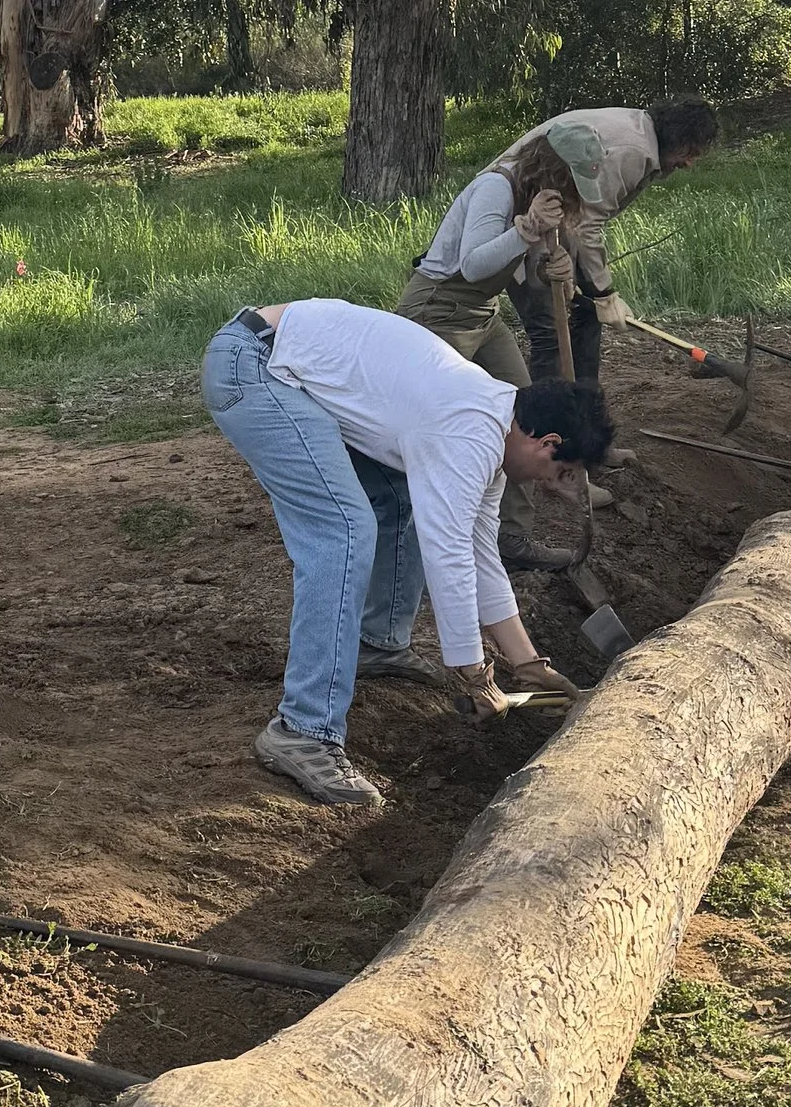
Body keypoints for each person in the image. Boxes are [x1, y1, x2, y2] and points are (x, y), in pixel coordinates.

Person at [203, 297, 615, 810]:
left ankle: (376, 644)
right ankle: (302, 730)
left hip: (281, 357)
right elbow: (448, 558)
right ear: (546, 441)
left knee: (399, 500)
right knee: (344, 530)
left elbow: (478, 552)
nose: (555, 486)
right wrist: (472, 672)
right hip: (257, 366)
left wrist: (529, 666)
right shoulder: (469, 431)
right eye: (563, 473)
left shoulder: (491, 426)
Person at [485, 101, 720, 381]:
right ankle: (547, 416)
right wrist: (605, 292)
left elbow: (579, 219)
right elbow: (587, 224)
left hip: (552, 214)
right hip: (516, 213)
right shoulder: (632, 152)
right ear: (675, 136)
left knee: (589, 311)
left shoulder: (642, 134)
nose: (690, 163)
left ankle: (583, 401)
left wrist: (596, 293)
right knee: (549, 328)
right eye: (689, 152)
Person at [395, 134, 587, 385]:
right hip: (438, 310)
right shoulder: (496, 187)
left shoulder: (535, 198)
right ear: (555, 174)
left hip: (484, 314)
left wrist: (546, 271)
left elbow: (520, 271)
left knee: (520, 402)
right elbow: (473, 266)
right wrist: (526, 230)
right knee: (445, 407)